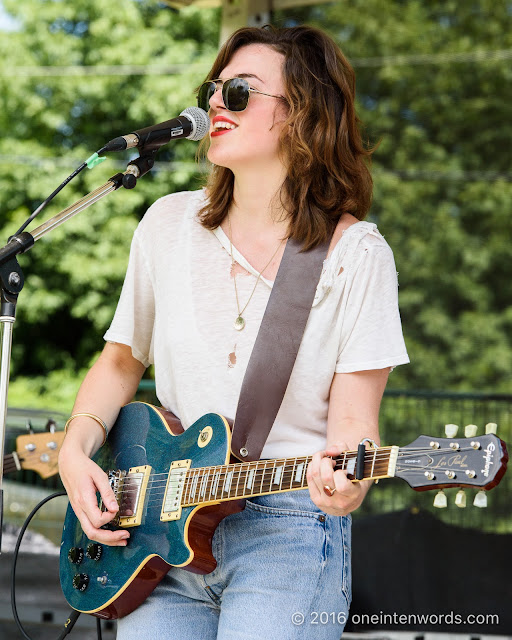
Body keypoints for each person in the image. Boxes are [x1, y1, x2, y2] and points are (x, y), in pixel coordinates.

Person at [59, 24, 409, 639]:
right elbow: (120, 361)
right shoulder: (168, 223)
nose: (215, 104)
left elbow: (354, 431)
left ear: (304, 114)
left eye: (240, 93)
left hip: (288, 529)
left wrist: (343, 491)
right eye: (214, 89)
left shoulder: (357, 255)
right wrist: (74, 449)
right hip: (157, 528)